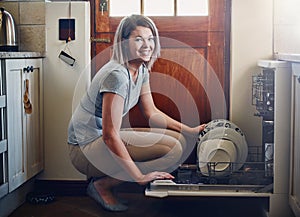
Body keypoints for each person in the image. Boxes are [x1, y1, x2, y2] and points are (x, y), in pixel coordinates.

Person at [68, 14, 206, 212]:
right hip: (84, 149)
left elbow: (152, 113)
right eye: (138, 39)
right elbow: (110, 136)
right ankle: (103, 185)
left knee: (180, 141)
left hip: (101, 140)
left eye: (150, 39)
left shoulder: (140, 70)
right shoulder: (117, 76)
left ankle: (106, 183)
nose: (146, 45)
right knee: (174, 150)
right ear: (124, 44)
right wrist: (139, 177)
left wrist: (190, 131)